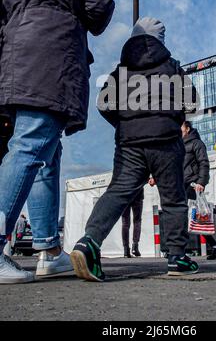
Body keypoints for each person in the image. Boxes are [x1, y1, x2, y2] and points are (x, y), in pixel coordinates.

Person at [0, 0, 117, 284]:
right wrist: (74, 16)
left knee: (45, 152)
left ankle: (50, 250)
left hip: (15, 57)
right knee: (31, 145)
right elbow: (101, 8)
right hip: (52, 56)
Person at [70, 17, 199, 281]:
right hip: (166, 142)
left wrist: (126, 123)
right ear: (160, 39)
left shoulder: (121, 70)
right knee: (173, 199)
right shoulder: (173, 66)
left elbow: (103, 103)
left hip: (129, 144)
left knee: (118, 192)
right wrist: (172, 118)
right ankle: (177, 257)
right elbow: (192, 102)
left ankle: (88, 242)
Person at [181, 121, 216, 260]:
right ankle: (215, 245)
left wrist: (201, 182)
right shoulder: (178, 146)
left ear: (187, 129)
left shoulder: (196, 143)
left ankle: (180, 250)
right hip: (180, 184)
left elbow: (204, 163)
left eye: (180, 127)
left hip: (192, 184)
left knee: (188, 216)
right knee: (193, 218)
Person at [122, 189, 144, 258]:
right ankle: (135, 246)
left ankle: (126, 249)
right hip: (137, 193)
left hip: (124, 194)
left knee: (125, 222)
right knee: (137, 221)